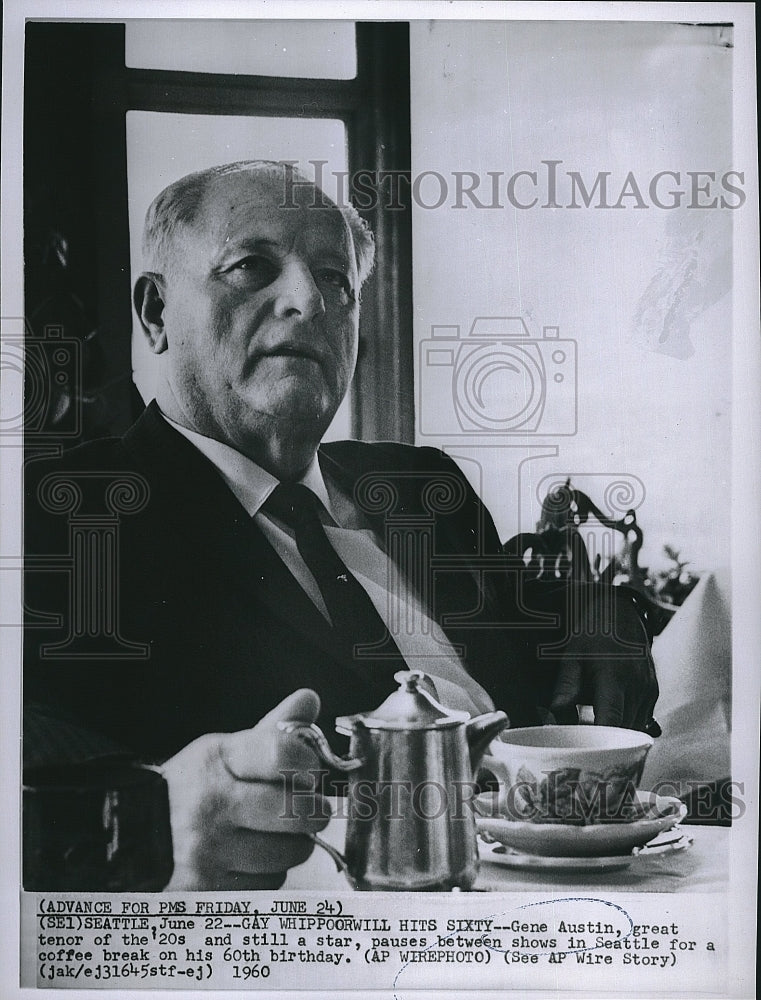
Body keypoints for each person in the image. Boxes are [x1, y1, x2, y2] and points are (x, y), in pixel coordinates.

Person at [24, 160, 658, 889]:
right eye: (251, 266)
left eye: (334, 280)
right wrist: (145, 817)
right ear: (156, 313)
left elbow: (535, 625)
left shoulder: (420, 487)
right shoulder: (62, 511)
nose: (307, 301)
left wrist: (602, 613)